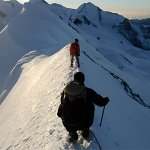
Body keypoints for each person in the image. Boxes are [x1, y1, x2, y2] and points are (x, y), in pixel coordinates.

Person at [57, 72, 109, 142]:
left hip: (68, 123)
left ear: (74, 79)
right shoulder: (88, 91)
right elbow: (101, 102)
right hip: (85, 123)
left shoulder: (66, 91)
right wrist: (106, 100)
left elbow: (60, 111)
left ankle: (73, 134)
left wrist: (65, 117)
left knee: (70, 125)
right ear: (83, 80)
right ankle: (85, 132)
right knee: (88, 112)